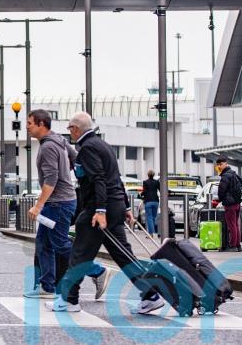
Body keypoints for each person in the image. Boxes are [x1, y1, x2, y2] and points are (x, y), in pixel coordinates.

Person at [51, 112, 164, 315]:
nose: (70, 133)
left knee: (80, 254)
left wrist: (100, 211)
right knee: (123, 255)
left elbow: (99, 179)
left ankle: (69, 300)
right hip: (114, 207)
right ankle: (150, 295)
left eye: (70, 128)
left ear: (76, 128)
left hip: (98, 210)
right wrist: (125, 206)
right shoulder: (103, 145)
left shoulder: (87, 148)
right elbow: (115, 178)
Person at [25, 109, 107, 301]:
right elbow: (76, 158)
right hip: (61, 201)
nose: (27, 127)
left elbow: (51, 179)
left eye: (30, 123)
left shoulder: (48, 147)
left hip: (58, 204)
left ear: (41, 124)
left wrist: (38, 206)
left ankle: (98, 271)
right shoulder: (59, 140)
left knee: (61, 244)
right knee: (43, 243)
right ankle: (47, 286)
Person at [216, 157, 242, 252]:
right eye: (218, 165)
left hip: (230, 204)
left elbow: (221, 190)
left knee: (231, 225)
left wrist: (221, 198)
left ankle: (232, 246)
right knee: (235, 224)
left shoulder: (225, 176)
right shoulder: (234, 173)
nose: (219, 167)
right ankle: (238, 246)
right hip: (237, 203)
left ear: (225, 164)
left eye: (220, 164)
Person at [140, 169, 160, 237]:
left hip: (148, 201)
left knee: (149, 217)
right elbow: (160, 190)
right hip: (156, 201)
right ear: (153, 175)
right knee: (154, 217)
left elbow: (145, 191)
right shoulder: (157, 182)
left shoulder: (145, 182)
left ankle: (151, 234)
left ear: (148, 175)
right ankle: (151, 232)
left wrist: (140, 194)